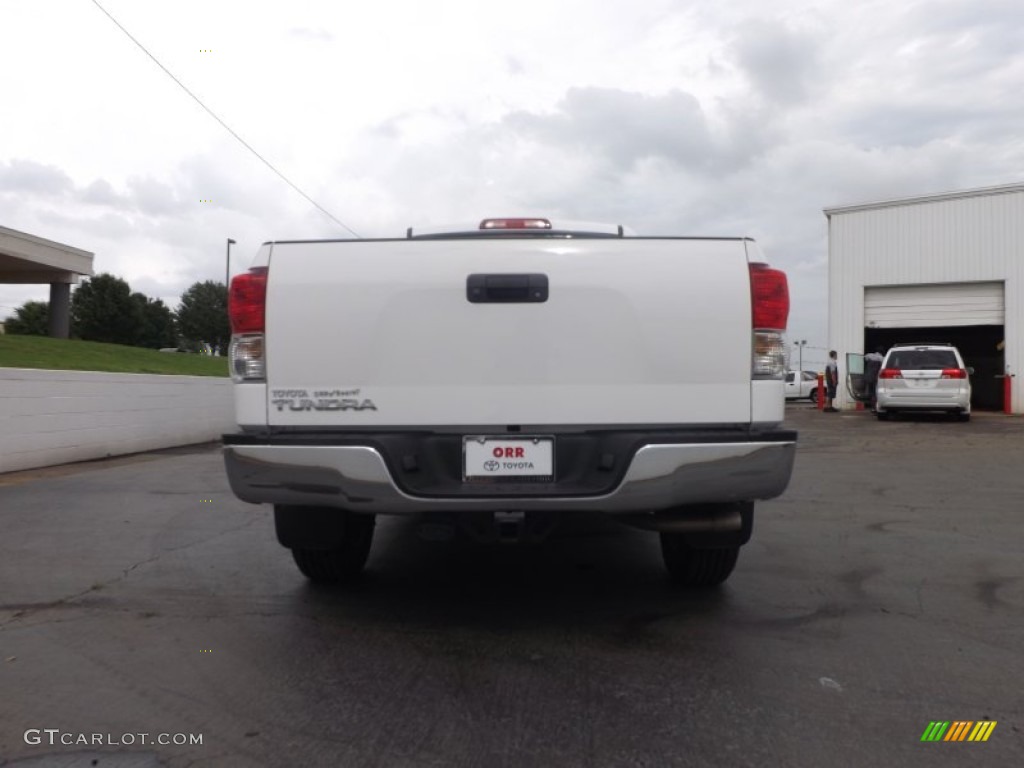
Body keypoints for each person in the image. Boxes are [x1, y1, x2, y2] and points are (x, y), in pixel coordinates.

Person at [864, 347, 885, 411]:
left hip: (868, 377)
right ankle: (875, 407)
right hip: (876, 378)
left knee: (870, 392)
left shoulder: (869, 355)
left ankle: (872, 406)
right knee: (875, 393)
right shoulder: (882, 358)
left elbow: (865, 358)